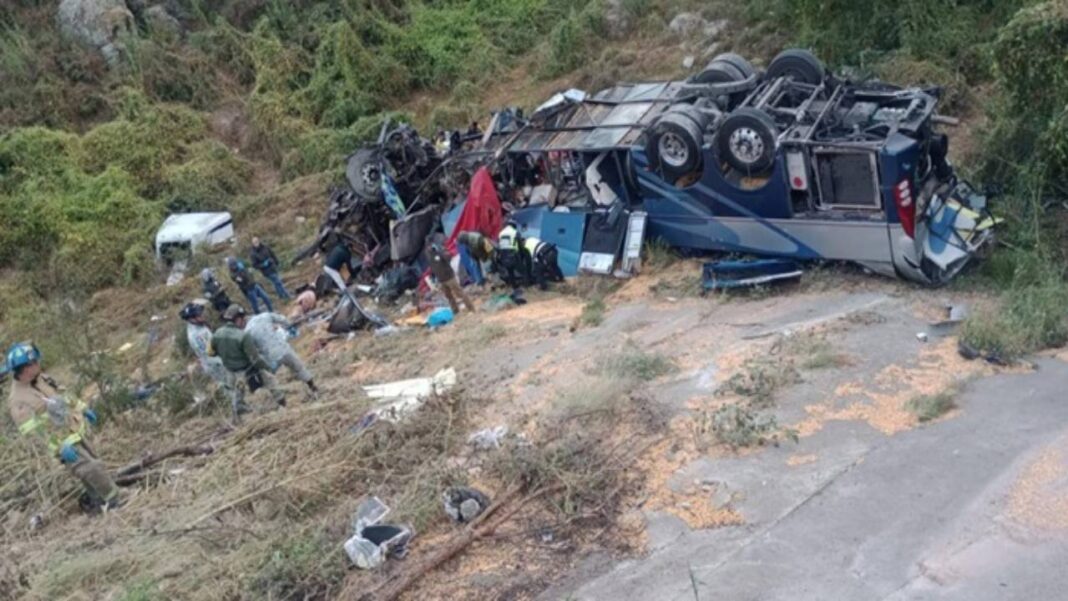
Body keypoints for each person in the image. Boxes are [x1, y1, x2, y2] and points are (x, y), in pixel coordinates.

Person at [5, 342, 121, 511]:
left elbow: (64, 395)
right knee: (91, 468)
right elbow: (33, 434)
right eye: (34, 363)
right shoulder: (18, 401)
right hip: (62, 443)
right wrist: (59, 448)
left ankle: (97, 501)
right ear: (25, 369)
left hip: (75, 430)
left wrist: (83, 408)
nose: (38, 364)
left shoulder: (42, 378)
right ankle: (113, 500)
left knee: (89, 468)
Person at [209, 305, 285, 422]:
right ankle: (283, 405)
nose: (244, 322)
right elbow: (255, 358)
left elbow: (210, 352)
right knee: (271, 382)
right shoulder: (243, 336)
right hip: (246, 369)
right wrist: (268, 367)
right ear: (238, 319)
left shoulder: (217, 334)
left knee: (235, 395)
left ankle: (236, 420)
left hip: (229, 370)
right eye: (243, 319)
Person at [244, 310, 319, 400]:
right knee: (299, 368)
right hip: (284, 349)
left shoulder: (247, 331)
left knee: (270, 379)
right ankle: (312, 386)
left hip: (270, 357)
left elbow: (253, 349)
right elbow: (283, 319)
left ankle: (280, 400)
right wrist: (288, 327)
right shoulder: (265, 316)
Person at [179, 301, 236, 408]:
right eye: (199, 315)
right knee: (228, 387)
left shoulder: (199, 326)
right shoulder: (197, 335)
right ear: (192, 318)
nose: (202, 316)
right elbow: (209, 353)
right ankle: (237, 407)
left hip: (217, 359)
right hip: (215, 364)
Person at [426, 236, 475, 314]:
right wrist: (434, 277)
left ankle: (471, 308)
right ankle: (455, 311)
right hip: (441, 279)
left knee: (460, 293)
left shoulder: (440, 250)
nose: (428, 247)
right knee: (449, 296)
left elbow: (448, 257)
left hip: (449, 277)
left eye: (430, 245)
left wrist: (440, 252)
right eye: (427, 246)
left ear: (432, 244)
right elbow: (432, 266)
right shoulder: (429, 255)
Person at [495, 221, 531, 289]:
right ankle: (527, 285)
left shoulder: (501, 233)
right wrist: (523, 254)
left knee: (510, 271)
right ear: (513, 226)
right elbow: (520, 245)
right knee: (523, 270)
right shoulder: (515, 232)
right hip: (513, 254)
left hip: (503, 255)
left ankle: (514, 286)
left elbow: (498, 245)